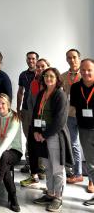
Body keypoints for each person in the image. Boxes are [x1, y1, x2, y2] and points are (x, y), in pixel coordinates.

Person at [32, 68, 73, 212]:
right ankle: (50, 193)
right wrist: (36, 131)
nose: (48, 78)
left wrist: (44, 134)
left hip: (54, 135)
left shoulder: (60, 94)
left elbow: (60, 120)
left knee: (57, 169)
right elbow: (35, 114)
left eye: (51, 76)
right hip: (41, 135)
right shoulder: (41, 94)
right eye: (45, 76)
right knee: (47, 167)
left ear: (56, 78)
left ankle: (58, 198)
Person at [20, 58, 50, 187]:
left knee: (48, 150)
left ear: (48, 67)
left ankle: (50, 185)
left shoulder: (52, 82)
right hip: (34, 120)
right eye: (38, 67)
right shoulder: (33, 83)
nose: (39, 69)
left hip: (48, 122)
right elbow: (30, 103)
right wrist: (34, 122)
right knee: (32, 147)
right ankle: (34, 176)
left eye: (42, 66)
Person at [70, 58, 94, 205]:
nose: (86, 72)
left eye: (89, 70)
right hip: (85, 130)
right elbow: (73, 108)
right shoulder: (75, 87)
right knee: (91, 164)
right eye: (83, 70)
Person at [60, 49, 83, 184]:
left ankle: (91, 180)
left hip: (85, 117)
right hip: (69, 115)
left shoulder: (86, 74)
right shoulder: (63, 76)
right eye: (69, 58)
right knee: (73, 144)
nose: (72, 60)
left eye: (74, 57)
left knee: (89, 146)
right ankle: (77, 173)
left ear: (79, 58)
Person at [17, 51, 39, 173]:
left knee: (40, 137)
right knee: (28, 137)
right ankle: (29, 163)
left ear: (37, 60)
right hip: (26, 110)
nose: (31, 61)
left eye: (33, 59)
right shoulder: (23, 75)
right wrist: (18, 109)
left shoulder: (42, 74)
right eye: (29, 58)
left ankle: (40, 167)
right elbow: (20, 92)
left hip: (40, 112)